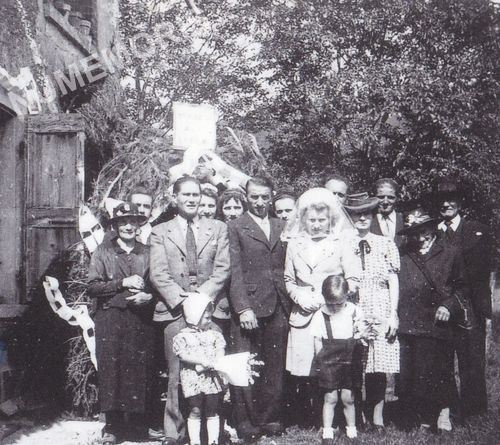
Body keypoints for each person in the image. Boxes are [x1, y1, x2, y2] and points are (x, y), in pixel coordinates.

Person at [150, 176, 230, 445]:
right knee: (177, 372)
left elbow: (223, 269)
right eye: (186, 194)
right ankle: (175, 432)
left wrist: (201, 298)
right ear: (175, 198)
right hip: (175, 309)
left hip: (210, 309)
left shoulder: (218, 228)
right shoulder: (160, 231)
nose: (192, 199)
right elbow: (158, 273)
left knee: (211, 369)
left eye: (196, 194)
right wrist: (182, 300)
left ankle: (211, 432)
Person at [283, 187, 359, 427]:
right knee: (307, 368)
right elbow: (288, 279)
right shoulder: (295, 244)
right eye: (312, 220)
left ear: (330, 220)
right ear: (303, 219)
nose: (316, 225)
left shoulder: (341, 242)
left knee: (332, 367)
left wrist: (330, 297)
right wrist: (299, 297)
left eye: (322, 220)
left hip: (333, 314)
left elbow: (353, 278)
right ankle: (311, 416)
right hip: (304, 312)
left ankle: (336, 418)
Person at [227, 176, 290, 440]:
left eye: (265, 197)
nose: (260, 202)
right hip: (250, 306)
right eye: (254, 197)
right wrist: (243, 308)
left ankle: (270, 419)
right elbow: (234, 270)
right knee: (246, 364)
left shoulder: (282, 225)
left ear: (272, 197)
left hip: (279, 304)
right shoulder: (235, 226)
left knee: (274, 365)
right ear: (246, 197)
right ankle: (246, 422)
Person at [87, 203, 155, 445]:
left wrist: (149, 296)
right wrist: (122, 283)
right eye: (123, 222)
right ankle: (113, 427)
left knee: (139, 370)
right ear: (115, 226)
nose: (128, 226)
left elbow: (158, 283)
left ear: (139, 225)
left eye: (133, 221)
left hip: (140, 319)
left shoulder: (148, 252)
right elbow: (92, 287)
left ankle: (137, 426)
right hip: (111, 318)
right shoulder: (103, 252)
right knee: (111, 370)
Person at [397, 206, 468, 433]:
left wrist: (448, 306)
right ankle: (421, 416)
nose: (420, 238)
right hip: (409, 321)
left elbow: (462, 287)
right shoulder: (403, 253)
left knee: (437, 370)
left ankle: (442, 413)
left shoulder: (450, 252)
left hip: (438, 322)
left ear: (433, 228)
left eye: (424, 231)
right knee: (414, 373)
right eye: (414, 233)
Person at [434, 178, 492, 417]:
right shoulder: (431, 232)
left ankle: (474, 413)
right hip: (440, 306)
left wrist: (484, 308)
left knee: (472, 361)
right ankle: (447, 410)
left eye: (452, 199)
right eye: (442, 200)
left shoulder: (478, 230)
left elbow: (484, 271)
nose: (447, 204)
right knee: (442, 360)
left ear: (460, 202)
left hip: (471, 307)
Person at [344, 193, 400, 430]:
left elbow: (393, 280)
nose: (362, 218)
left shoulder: (385, 243)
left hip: (380, 305)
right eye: (357, 214)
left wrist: (393, 313)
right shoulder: (343, 242)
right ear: (350, 216)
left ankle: (377, 416)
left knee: (378, 364)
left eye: (367, 213)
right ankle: (357, 414)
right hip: (354, 306)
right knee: (356, 362)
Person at [311, 275, 365, 443]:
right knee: (330, 397)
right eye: (330, 304)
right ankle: (327, 431)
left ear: (347, 296)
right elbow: (317, 340)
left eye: (338, 304)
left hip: (350, 359)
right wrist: (320, 361)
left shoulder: (354, 312)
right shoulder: (320, 315)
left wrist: (362, 334)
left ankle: (352, 430)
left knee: (348, 397)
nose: (334, 308)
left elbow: (362, 333)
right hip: (329, 361)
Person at [173, 293, 226, 445]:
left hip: (211, 377)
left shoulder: (214, 335)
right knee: (195, 409)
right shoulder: (183, 337)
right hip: (193, 377)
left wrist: (217, 360)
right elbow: (182, 355)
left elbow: (220, 349)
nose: (210, 321)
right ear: (194, 317)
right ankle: (195, 441)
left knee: (212, 409)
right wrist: (201, 360)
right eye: (207, 318)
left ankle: (213, 441)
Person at [370, 178, 405, 249]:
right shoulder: (367, 221)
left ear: (397, 198)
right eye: (381, 197)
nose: (385, 202)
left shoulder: (404, 219)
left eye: (390, 197)